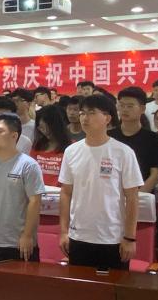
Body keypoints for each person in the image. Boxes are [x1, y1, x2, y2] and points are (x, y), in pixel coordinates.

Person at [58, 94, 142, 270]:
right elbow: (65, 193)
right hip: (78, 236)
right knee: (79, 285)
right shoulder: (71, 151)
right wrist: (64, 231)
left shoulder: (123, 152)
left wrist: (130, 237)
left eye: (91, 113)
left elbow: (132, 198)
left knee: (113, 286)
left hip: (112, 238)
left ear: (107, 118)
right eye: (82, 113)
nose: (84, 118)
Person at [0, 113, 46, 261]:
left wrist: (27, 235)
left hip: (20, 242)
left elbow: (35, 201)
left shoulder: (28, 165)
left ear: (14, 136)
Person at [110, 87, 158, 193]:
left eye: (130, 106)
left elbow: (155, 174)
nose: (125, 109)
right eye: (121, 105)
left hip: (142, 196)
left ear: (142, 109)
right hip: (111, 195)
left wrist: (137, 196)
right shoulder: (108, 137)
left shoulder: (154, 140)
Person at [30, 104, 71, 186]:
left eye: (48, 127)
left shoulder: (70, 148)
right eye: (41, 128)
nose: (45, 132)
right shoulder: (37, 146)